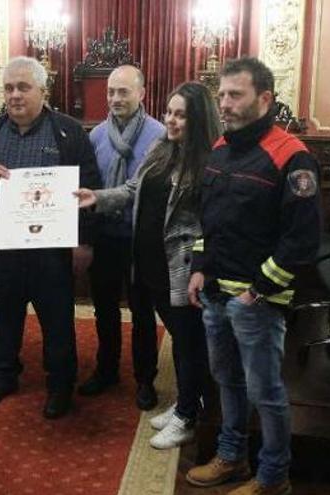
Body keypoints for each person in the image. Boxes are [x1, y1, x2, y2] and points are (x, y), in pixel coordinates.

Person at [185, 57, 320, 495]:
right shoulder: (221, 148)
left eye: (235, 94)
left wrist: (257, 293)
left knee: (267, 394)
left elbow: (301, 243)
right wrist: (199, 269)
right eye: (221, 94)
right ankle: (232, 457)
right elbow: (211, 223)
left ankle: (273, 477)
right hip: (216, 296)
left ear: (264, 99)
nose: (223, 103)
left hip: (256, 303)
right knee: (227, 382)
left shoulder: (293, 156)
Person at [0, 56, 101, 419]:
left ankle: (60, 385)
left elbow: (92, 188)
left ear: (42, 91)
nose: (15, 95)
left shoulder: (68, 131)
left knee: (58, 322)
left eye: (23, 87)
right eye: (9, 88)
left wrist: (83, 241)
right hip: (3, 250)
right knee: (4, 318)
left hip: (52, 253)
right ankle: (4, 375)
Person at [75, 82, 218, 449]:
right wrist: (98, 197)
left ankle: (189, 414)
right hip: (149, 263)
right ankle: (186, 405)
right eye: (169, 112)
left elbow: (211, 224)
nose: (171, 120)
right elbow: (133, 189)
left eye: (181, 114)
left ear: (199, 118)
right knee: (183, 341)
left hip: (182, 267)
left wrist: (201, 267)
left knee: (188, 343)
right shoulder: (162, 147)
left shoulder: (210, 163)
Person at [78, 64, 165, 410]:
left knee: (143, 313)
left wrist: (101, 197)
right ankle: (107, 369)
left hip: (142, 239)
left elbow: (141, 188)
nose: (115, 98)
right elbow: (87, 184)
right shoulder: (96, 135)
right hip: (105, 237)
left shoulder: (160, 135)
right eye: (111, 92)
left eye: (123, 92)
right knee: (105, 310)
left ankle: (145, 379)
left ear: (142, 93)